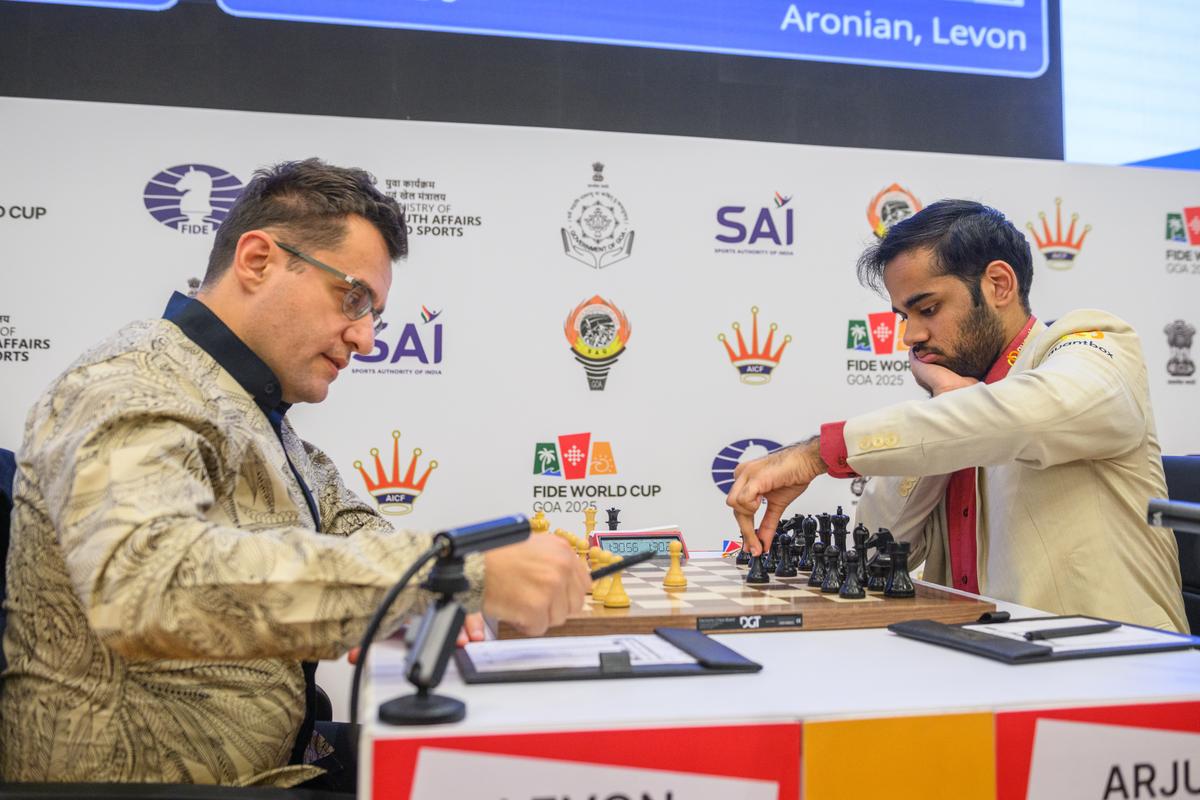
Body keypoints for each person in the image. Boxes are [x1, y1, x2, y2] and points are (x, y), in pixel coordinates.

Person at [0, 159, 592, 787]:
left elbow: (347, 525)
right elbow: (148, 585)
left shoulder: (256, 410)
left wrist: (443, 584)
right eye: (354, 297)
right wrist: (451, 575)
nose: (366, 339)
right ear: (258, 260)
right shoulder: (130, 382)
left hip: (281, 762)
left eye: (375, 314)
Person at [727, 199, 1187, 633]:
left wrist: (820, 453)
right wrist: (947, 401)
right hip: (977, 661)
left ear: (999, 285)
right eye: (902, 316)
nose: (910, 336)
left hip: (1110, 672)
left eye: (927, 309)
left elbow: (1016, 419)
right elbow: (875, 549)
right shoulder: (962, 404)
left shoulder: (1096, 350)